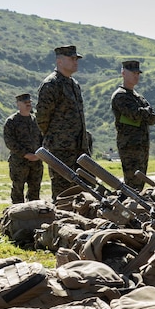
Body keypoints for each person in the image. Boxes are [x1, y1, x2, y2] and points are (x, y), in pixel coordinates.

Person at [37, 45, 91, 199]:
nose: (75, 62)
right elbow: (42, 118)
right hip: (61, 149)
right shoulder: (51, 84)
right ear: (59, 61)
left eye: (76, 59)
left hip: (79, 148)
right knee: (63, 193)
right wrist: (56, 138)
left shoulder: (74, 84)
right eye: (72, 58)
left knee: (85, 191)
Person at [111, 60, 155, 190]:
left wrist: (143, 113)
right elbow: (134, 115)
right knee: (132, 184)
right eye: (133, 73)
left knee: (140, 182)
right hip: (129, 146)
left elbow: (153, 118)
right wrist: (145, 113)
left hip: (142, 145)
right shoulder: (120, 96)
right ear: (123, 73)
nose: (136, 76)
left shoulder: (138, 97)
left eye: (138, 73)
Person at [2, 93, 43, 204]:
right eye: (25, 103)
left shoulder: (36, 121)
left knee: (35, 189)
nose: (28, 105)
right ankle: (17, 212)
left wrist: (39, 154)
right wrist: (26, 154)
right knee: (18, 189)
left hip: (36, 161)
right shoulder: (12, 122)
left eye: (29, 102)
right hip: (19, 162)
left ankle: (33, 211)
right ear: (18, 104)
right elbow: (10, 142)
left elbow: (43, 138)